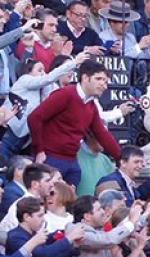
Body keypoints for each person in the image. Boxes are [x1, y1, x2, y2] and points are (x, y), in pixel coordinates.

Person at [27, 59, 120, 187]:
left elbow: (102, 134)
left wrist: (121, 157)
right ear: (85, 78)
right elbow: (34, 118)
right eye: (99, 79)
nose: (104, 85)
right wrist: (39, 150)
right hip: (51, 158)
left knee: (70, 201)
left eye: (105, 81)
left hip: (72, 161)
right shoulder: (65, 94)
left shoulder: (91, 106)